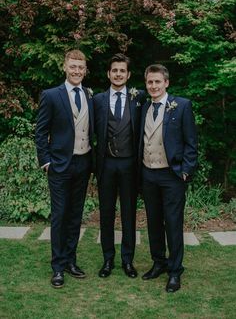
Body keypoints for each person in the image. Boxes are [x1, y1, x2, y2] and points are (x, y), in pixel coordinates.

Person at [35, 49, 94, 288]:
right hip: (59, 165)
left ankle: (71, 260)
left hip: (83, 162)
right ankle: (58, 267)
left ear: (85, 70)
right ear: (65, 67)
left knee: (75, 215)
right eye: (73, 67)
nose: (77, 71)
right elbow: (41, 132)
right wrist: (46, 161)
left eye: (81, 67)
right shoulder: (51, 95)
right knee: (60, 216)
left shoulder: (90, 95)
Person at [139, 64, 197, 292]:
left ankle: (175, 271)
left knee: (173, 224)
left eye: (157, 82)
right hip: (148, 173)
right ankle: (158, 263)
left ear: (166, 83)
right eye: (150, 82)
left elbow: (191, 143)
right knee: (153, 222)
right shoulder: (143, 107)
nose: (153, 86)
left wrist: (185, 170)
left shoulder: (181, 106)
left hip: (171, 175)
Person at [93, 53, 146, 279]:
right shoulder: (97, 100)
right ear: (108, 73)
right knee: (106, 214)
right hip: (106, 166)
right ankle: (107, 260)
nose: (118, 74)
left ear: (128, 74)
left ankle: (127, 260)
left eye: (122, 70)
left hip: (129, 166)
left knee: (128, 214)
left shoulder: (139, 97)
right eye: (114, 70)